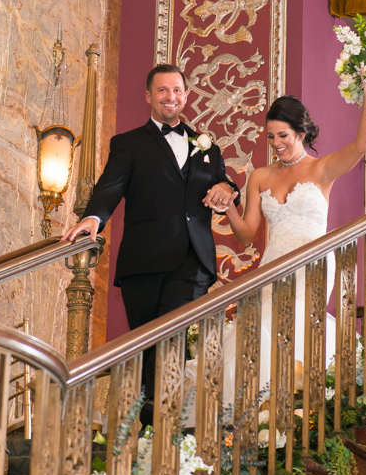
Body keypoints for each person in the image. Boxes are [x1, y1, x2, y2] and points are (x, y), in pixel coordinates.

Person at [61, 64, 239, 425]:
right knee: (146, 343)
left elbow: (224, 184)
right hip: (143, 260)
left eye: (177, 91)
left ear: (186, 96)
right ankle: (150, 425)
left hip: (192, 260)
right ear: (149, 96)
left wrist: (229, 188)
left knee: (170, 335)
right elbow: (111, 186)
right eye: (162, 91)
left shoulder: (208, 146)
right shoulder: (128, 144)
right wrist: (94, 218)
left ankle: (164, 422)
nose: (170, 97)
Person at [212, 69, 366, 406]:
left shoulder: (322, 170)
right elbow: (246, 236)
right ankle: (264, 411)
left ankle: (306, 406)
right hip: (273, 264)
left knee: (304, 326)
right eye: (271, 137)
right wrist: (229, 207)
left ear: (301, 133)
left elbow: (361, 146)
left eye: (283, 136)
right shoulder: (259, 176)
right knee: (266, 331)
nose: (276, 145)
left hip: (314, 265)